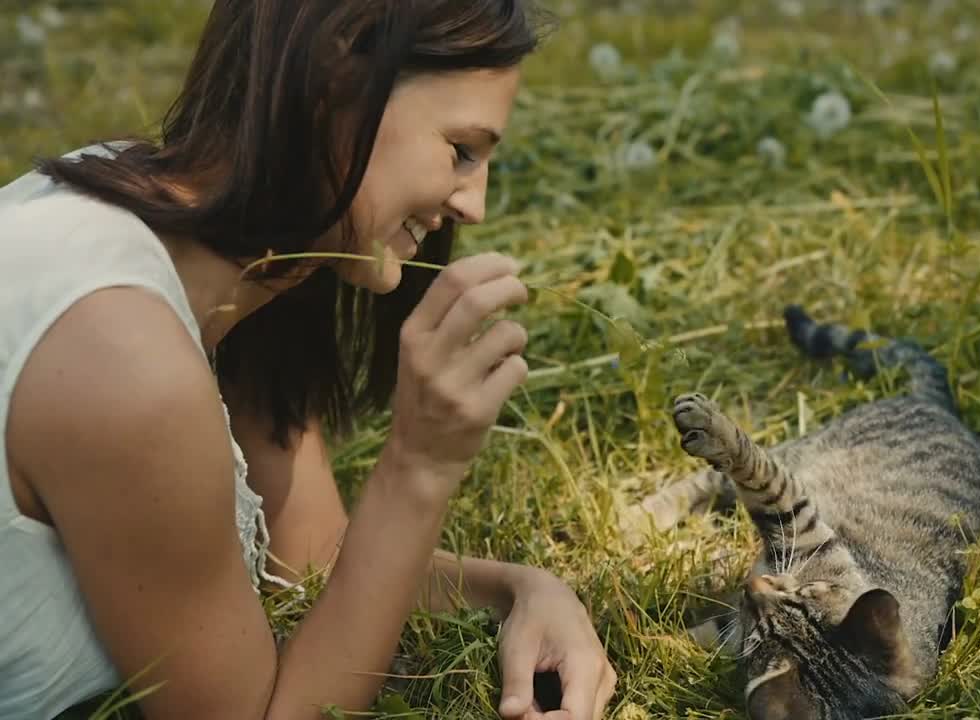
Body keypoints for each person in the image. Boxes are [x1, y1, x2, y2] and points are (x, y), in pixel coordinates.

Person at [0, 1, 617, 719]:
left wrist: (524, 591)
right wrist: (421, 466)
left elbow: (315, 563)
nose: (474, 203)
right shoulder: (124, 361)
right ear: (334, 78)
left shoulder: (204, 254)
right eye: (461, 150)